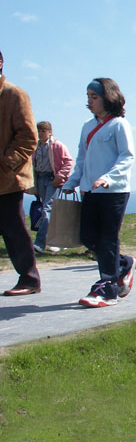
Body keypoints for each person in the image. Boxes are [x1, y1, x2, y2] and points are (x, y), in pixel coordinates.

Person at [62, 78, 136, 308]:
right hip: (89, 191)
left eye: (94, 97)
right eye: (88, 97)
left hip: (113, 191)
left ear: (108, 98)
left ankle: (108, 289)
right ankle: (123, 264)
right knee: (89, 238)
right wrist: (73, 181)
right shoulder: (87, 126)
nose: (90, 101)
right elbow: (82, 160)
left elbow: (127, 156)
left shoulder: (119, 125)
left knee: (107, 239)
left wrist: (108, 177)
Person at [0, 49, 42, 296]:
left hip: (8, 178)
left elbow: (28, 137)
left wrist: (7, 163)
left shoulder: (15, 95)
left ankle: (30, 278)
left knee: (13, 228)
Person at [31, 121, 74, 253]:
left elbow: (69, 161)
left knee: (47, 210)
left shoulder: (57, 145)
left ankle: (40, 243)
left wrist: (59, 177)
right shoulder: (36, 146)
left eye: (43, 131)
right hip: (40, 179)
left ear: (50, 132)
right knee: (50, 211)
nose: (41, 133)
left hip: (52, 179)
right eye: (39, 131)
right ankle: (59, 241)